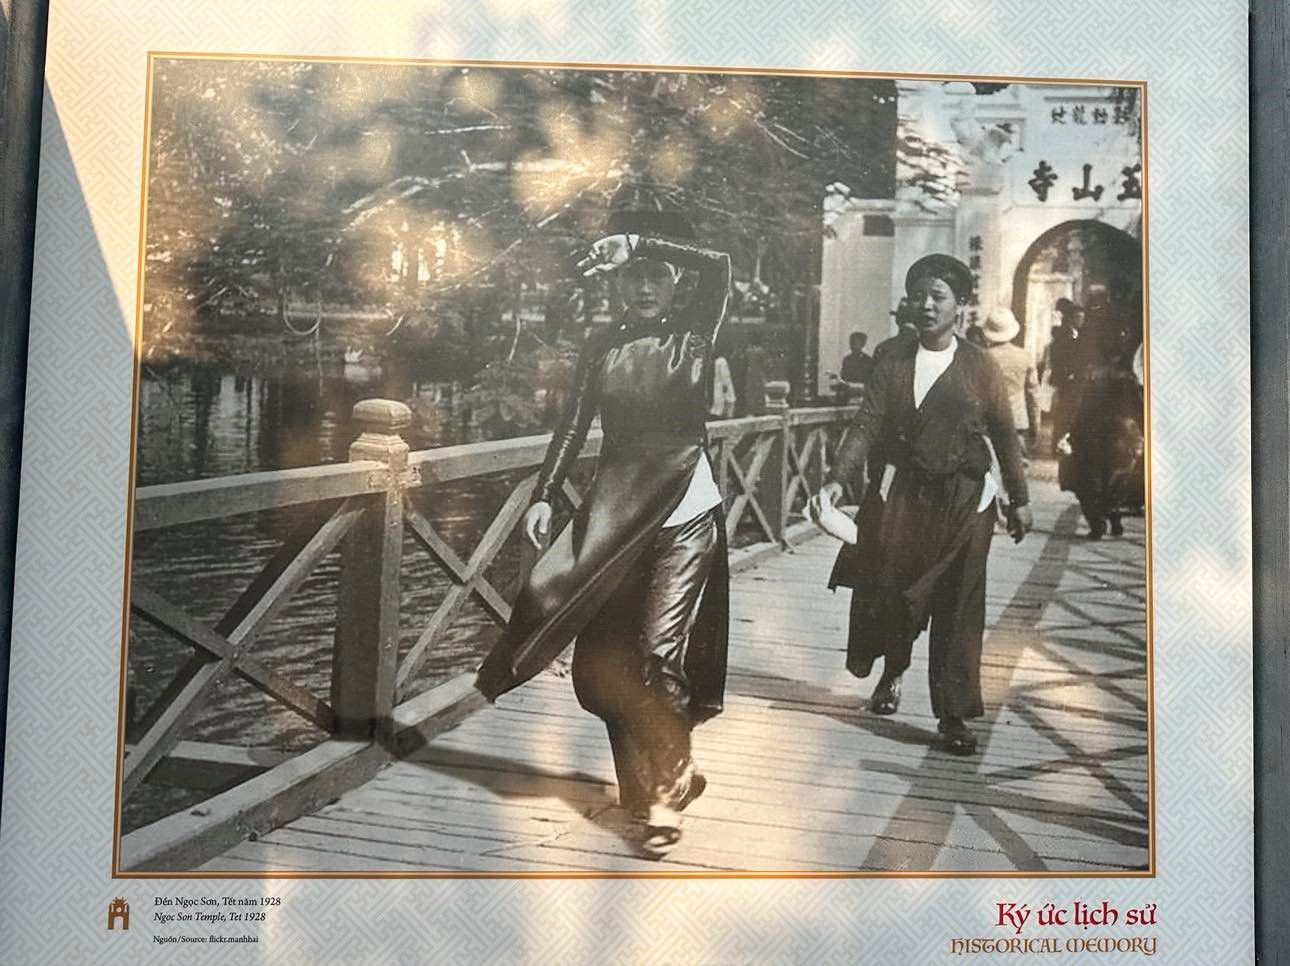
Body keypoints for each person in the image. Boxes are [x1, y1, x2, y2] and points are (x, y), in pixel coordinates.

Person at [475, 190, 731, 856]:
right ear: (618, 283)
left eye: (656, 274)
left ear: (677, 281)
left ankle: (665, 793)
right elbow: (571, 426)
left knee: (658, 653)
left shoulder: (698, 329)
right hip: (617, 513)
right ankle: (665, 776)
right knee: (601, 669)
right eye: (633, 276)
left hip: (684, 510)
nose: (644, 286)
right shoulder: (601, 344)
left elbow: (721, 263)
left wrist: (642, 243)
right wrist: (545, 492)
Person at [808, 254, 1032, 756]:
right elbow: (865, 424)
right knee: (896, 592)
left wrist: (1018, 498)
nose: (926, 305)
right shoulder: (892, 359)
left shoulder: (981, 365)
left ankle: (953, 715)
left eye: (938, 297)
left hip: (966, 500)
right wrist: (838, 482)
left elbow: (1003, 434)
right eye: (920, 295)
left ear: (960, 307)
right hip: (906, 497)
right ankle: (893, 668)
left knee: (958, 605)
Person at [979, 306, 1039, 454]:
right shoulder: (1025, 357)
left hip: (988, 420)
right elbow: (1033, 396)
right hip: (1017, 419)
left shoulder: (981, 357)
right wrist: (1035, 426)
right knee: (1017, 465)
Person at [1039, 297, 1094, 451]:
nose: (1081, 320)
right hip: (1067, 379)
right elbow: (1061, 358)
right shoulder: (1063, 336)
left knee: (1071, 412)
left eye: (1082, 318)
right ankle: (1058, 443)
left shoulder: (1078, 334)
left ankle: (1064, 442)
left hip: (1075, 379)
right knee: (1065, 412)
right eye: (1078, 317)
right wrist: (1069, 373)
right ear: (1071, 318)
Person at [836, 331, 874, 401]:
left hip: (862, 395)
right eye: (851, 342)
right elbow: (844, 377)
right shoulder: (847, 359)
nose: (852, 345)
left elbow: (869, 380)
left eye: (855, 343)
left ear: (863, 344)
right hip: (848, 394)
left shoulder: (868, 360)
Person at [709, 354, 737, 419]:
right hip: (723, 383)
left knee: (718, 402)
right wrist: (725, 384)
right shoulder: (722, 361)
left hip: (716, 383)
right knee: (729, 399)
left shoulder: (714, 361)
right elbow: (725, 374)